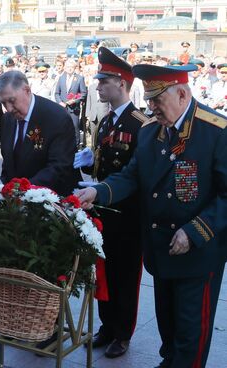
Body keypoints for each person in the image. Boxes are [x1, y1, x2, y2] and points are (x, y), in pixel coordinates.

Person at [76, 63, 227, 368]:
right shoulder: (149, 131)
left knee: (190, 334)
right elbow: (132, 175)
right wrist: (99, 192)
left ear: (182, 94)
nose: (151, 107)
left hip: (198, 253)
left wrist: (194, 231)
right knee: (168, 327)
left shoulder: (216, 131)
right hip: (161, 247)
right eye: (148, 100)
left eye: (157, 100)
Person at [74, 47, 149, 359]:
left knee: (125, 275)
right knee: (102, 272)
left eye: (103, 81)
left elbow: (139, 175)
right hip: (102, 211)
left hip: (128, 216)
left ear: (121, 82)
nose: (98, 86)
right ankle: (107, 325)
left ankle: (122, 332)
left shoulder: (140, 123)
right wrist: (88, 167)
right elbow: (104, 165)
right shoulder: (105, 122)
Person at [0, 71, 79, 196]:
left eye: (12, 100)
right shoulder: (8, 119)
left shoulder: (56, 117)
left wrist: (23, 191)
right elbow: (8, 161)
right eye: (3, 103)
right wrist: (7, 190)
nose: (9, 108)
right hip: (17, 199)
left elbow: (59, 166)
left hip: (50, 198)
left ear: (27, 90)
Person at [55, 58, 88, 146]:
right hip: (63, 108)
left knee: (74, 128)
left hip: (74, 109)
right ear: (65, 67)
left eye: (71, 67)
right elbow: (57, 93)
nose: (69, 68)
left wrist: (75, 100)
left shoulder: (79, 78)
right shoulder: (61, 78)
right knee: (63, 128)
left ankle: (75, 147)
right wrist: (60, 102)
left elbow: (83, 94)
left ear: (74, 68)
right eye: (68, 67)